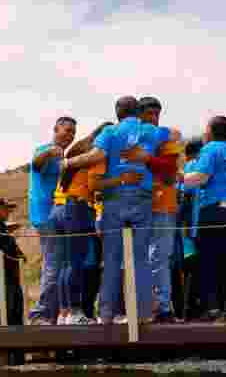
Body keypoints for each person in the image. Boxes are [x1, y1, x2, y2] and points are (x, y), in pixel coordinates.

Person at [63, 96, 177, 325]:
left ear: (117, 113)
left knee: (112, 259)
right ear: (138, 111)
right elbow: (175, 135)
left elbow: (96, 156)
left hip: (114, 199)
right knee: (141, 258)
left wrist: (69, 163)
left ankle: (106, 315)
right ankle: (143, 314)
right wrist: (146, 155)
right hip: (142, 198)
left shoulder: (111, 133)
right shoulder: (152, 131)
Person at [180, 115, 226, 321]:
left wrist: (179, 178)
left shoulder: (211, 149)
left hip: (215, 210)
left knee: (208, 261)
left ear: (211, 131)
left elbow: (201, 177)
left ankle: (212, 308)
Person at [50, 121, 120, 325]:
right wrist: (121, 180)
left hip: (75, 206)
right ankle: (75, 311)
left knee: (76, 263)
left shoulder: (80, 151)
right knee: (77, 262)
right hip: (79, 208)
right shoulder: (94, 155)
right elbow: (94, 184)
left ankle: (71, 312)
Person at [27, 116, 78, 325]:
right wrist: (50, 151)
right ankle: (40, 314)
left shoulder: (63, 157)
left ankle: (54, 313)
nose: (70, 135)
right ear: (55, 130)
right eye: (66, 130)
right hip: (45, 216)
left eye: (73, 132)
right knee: (53, 265)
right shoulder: (44, 150)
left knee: (62, 265)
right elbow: (36, 164)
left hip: (60, 216)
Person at [140, 96, 186, 323]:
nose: (153, 119)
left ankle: (161, 306)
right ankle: (154, 307)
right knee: (147, 258)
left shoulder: (166, 139)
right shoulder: (134, 140)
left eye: (157, 114)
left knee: (160, 257)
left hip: (163, 205)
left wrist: (147, 159)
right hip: (140, 206)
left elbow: (169, 175)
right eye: (149, 114)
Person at [0, 199, 27, 336]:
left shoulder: (0, 227)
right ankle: (2, 337)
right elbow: (1, 247)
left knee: (13, 309)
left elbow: (11, 249)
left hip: (7, 276)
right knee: (4, 309)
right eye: (5, 209)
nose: (8, 212)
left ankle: (13, 338)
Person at [174, 139, 203, 320]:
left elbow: (182, 199)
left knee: (185, 273)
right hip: (194, 230)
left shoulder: (186, 170)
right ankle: (194, 309)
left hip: (186, 232)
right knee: (196, 272)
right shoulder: (195, 166)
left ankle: (185, 311)